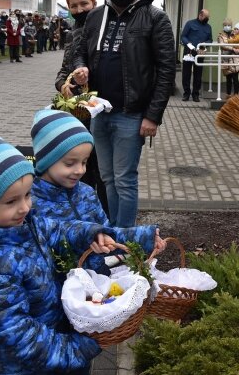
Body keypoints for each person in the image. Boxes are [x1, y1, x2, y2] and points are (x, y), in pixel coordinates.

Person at [0, 134, 116, 375]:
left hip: (58, 349)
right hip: (31, 373)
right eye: (11, 201)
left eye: (28, 195)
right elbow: (19, 337)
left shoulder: (25, 224)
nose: (25, 207)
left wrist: (92, 232)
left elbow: (60, 231)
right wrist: (78, 348)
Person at [72, 0, 176, 228]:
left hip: (131, 115)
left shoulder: (155, 18)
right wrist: (81, 67)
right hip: (99, 112)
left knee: (125, 180)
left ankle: (124, 237)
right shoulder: (95, 17)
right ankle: (112, 231)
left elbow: (166, 70)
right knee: (107, 178)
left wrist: (153, 116)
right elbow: (80, 51)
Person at [30, 109, 164, 277]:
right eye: (70, 163)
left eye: (84, 162)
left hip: (97, 279)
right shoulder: (30, 203)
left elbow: (107, 235)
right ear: (46, 160)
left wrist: (145, 237)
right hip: (61, 288)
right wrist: (89, 236)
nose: (80, 170)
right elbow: (50, 239)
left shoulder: (86, 193)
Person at [54, 0, 108, 211]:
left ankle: (107, 217)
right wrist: (63, 85)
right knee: (81, 168)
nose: (78, 10)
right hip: (78, 114)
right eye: (73, 5)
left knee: (103, 171)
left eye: (83, 3)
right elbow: (63, 71)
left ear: (94, 3)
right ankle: (86, 216)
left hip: (104, 110)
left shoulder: (106, 29)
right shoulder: (72, 34)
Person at [180, 9, 212, 102]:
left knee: (198, 74)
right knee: (186, 73)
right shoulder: (190, 23)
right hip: (189, 51)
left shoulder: (208, 27)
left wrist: (205, 44)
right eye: (207, 17)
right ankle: (186, 93)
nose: (208, 19)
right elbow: (183, 36)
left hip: (200, 52)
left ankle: (195, 94)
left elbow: (210, 39)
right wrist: (188, 43)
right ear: (201, 15)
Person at [217, 19, 239, 98]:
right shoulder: (221, 36)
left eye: (229, 25)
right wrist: (233, 49)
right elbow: (223, 45)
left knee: (235, 77)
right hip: (226, 59)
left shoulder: (234, 34)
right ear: (223, 26)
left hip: (235, 58)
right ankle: (228, 95)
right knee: (228, 78)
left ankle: (236, 95)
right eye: (226, 25)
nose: (227, 27)